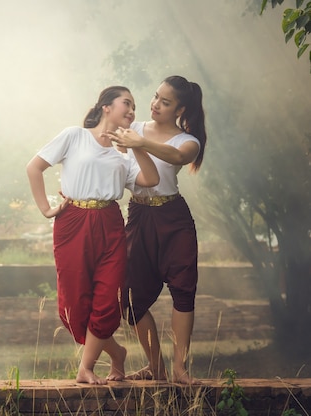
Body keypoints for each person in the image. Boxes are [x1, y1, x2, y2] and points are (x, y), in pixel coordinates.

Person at [26, 86, 160, 385]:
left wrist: (137, 145)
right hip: (72, 222)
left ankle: (85, 369)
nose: (132, 110)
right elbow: (34, 167)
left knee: (106, 301)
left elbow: (151, 179)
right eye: (127, 103)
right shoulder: (75, 136)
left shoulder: (123, 156)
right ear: (106, 107)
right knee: (72, 310)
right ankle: (117, 353)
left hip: (110, 224)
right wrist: (46, 208)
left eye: (134, 106)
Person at [107, 75, 207, 385]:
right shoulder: (132, 128)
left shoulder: (187, 140)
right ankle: (156, 367)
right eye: (155, 97)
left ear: (180, 109)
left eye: (165, 102)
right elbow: (106, 156)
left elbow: (176, 157)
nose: (155, 104)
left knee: (183, 290)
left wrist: (140, 143)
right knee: (129, 299)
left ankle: (179, 369)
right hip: (138, 215)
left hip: (173, 218)